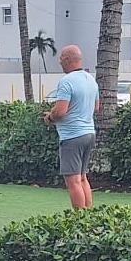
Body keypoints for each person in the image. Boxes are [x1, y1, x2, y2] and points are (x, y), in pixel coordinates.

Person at [42, 45, 97, 209]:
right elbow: (96, 107)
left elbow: (60, 112)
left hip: (72, 136)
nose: (60, 62)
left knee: (73, 181)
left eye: (61, 58)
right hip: (89, 133)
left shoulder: (66, 82)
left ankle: (79, 218)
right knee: (82, 178)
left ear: (67, 59)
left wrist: (49, 117)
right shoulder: (90, 80)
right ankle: (89, 216)